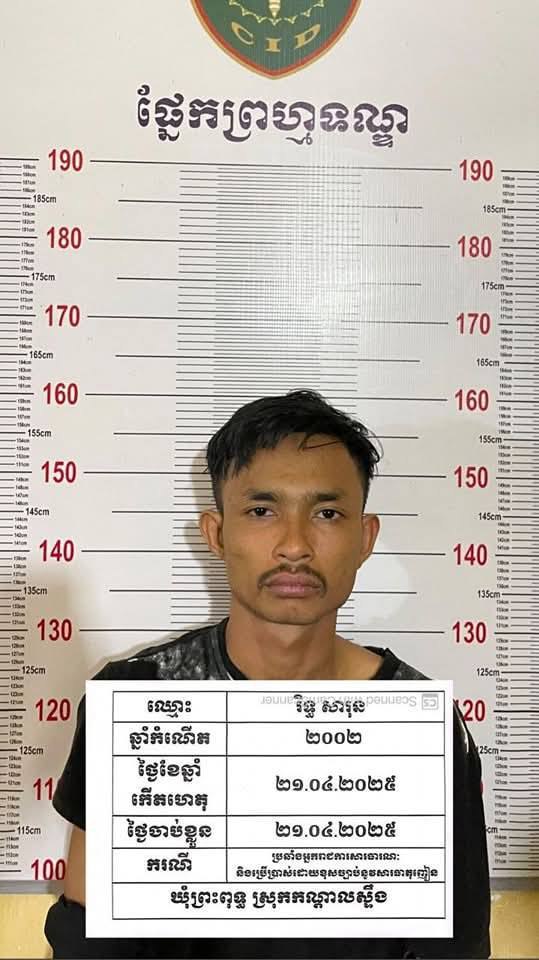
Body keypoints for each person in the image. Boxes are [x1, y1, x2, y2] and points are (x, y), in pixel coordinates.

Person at [44, 389, 491, 959]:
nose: (295, 546)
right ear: (216, 533)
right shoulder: (136, 698)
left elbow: (455, 947)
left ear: (365, 538)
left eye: (327, 514)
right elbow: (91, 940)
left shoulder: (422, 725)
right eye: (262, 511)